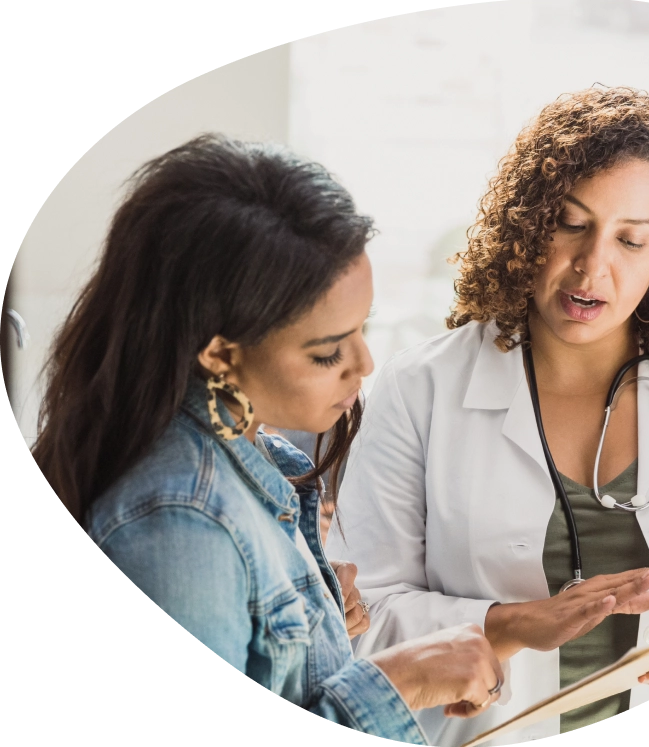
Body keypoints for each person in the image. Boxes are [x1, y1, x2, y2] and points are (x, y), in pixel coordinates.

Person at [326, 87, 649, 746]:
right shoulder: (423, 387)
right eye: (571, 223)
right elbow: (359, 614)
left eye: (630, 239)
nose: (592, 266)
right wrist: (510, 622)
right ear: (531, 223)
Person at [31, 134, 534, 745]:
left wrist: (319, 630)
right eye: (327, 353)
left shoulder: (246, 460)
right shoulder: (181, 524)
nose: (364, 364)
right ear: (220, 354)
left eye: (361, 329)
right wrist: (396, 685)